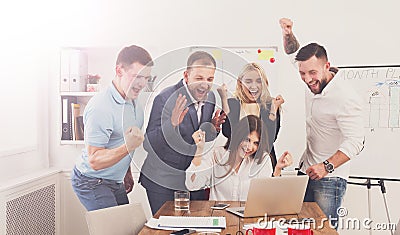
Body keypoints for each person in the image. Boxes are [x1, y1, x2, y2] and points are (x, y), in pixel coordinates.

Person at [280, 18, 365, 228]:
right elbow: (293, 53)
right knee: (298, 228)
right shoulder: (309, 70)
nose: (308, 79)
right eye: (302, 73)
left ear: (326, 66)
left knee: (322, 231)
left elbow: (357, 141)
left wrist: (326, 166)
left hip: (329, 179)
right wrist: (288, 34)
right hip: (306, 170)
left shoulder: (345, 97)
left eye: (312, 73)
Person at [139, 51, 226, 214]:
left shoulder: (211, 98)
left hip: (192, 179)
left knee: (196, 228)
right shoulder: (165, 98)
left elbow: (197, 136)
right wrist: (171, 125)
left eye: (210, 79)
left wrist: (212, 129)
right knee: (167, 230)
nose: (205, 85)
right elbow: (148, 144)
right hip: (163, 180)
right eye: (199, 78)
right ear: (186, 76)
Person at [71, 45, 153, 211]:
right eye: (137, 76)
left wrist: (126, 172)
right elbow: (94, 160)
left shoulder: (133, 102)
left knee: (127, 228)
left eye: (146, 78)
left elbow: (120, 140)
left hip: (114, 180)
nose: (141, 84)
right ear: (119, 70)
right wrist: (128, 147)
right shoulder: (101, 106)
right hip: (91, 181)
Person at [186, 115, 293, 201]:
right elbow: (192, 185)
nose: (249, 147)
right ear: (238, 136)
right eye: (247, 140)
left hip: (249, 221)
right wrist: (199, 151)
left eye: (256, 143)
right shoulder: (217, 154)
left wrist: (277, 170)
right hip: (219, 219)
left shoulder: (263, 160)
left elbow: (268, 198)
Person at [220, 63, 285, 170]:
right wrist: (224, 100)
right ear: (240, 83)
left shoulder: (270, 105)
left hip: (263, 164)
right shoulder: (232, 103)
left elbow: (269, 140)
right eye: (248, 81)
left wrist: (274, 110)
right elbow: (227, 132)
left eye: (258, 81)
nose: (253, 86)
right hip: (236, 163)